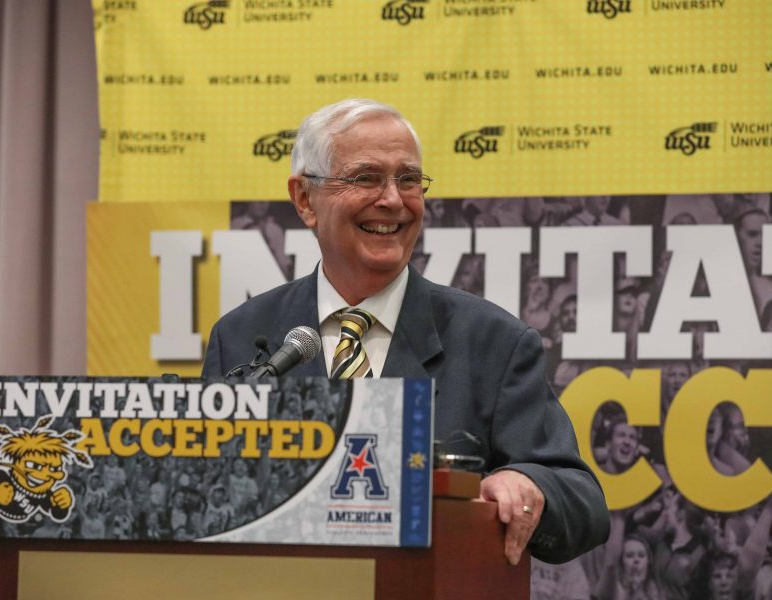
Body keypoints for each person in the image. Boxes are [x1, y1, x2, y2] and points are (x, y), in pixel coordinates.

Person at [202, 98, 609, 565]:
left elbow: (584, 504)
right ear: (304, 200)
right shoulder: (242, 336)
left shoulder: (493, 342)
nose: (393, 200)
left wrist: (531, 485)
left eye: (409, 180)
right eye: (366, 178)